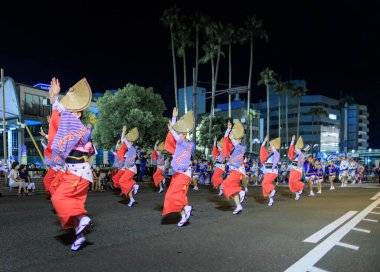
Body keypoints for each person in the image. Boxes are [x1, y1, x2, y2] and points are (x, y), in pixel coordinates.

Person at [48, 77, 95, 251]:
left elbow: (65, 117)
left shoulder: (81, 128)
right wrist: (55, 101)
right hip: (76, 172)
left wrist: (55, 99)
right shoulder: (72, 126)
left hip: (78, 173)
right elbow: (60, 121)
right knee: (74, 207)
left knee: (58, 198)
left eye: (73, 111)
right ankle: (80, 236)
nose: (68, 113)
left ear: (79, 113)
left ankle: (83, 220)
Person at [162, 107, 194, 226]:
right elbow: (175, 136)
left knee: (171, 195)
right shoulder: (179, 146)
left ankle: (186, 208)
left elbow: (175, 136)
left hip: (183, 175)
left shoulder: (188, 144)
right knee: (175, 195)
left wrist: (173, 121)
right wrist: (174, 119)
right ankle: (184, 215)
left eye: (181, 133)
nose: (178, 135)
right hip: (179, 174)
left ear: (185, 134)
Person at [221, 120, 246, 214]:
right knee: (232, 188)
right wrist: (228, 129)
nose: (234, 140)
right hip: (233, 171)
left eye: (237, 139)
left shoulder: (242, 148)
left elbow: (233, 142)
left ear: (240, 140)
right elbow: (226, 139)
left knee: (225, 185)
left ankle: (240, 192)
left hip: (238, 171)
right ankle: (238, 206)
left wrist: (232, 138)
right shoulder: (233, 147)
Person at [119, 126, 140, 207]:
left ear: (131, 142)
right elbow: (123, 141)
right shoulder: (131, 150)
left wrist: (123, 132)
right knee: (128, 184)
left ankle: (135, 185)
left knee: (121, 181)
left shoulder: (131, 148)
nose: (127, 143)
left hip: (131, 169)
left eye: (128, 142)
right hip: (131, 169)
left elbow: (123, 140)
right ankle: (131, 199)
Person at [260, 135, 280, 207]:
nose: (269, 148)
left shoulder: (275, 155)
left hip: (272, 172)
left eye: (271, 147)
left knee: (264, 183)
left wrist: (272, 145)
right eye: (269, 147)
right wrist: (265, 141)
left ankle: (273, 190)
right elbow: (262, 148)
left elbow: (277, 153)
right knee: (266, 186)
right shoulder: (267, 155)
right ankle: (271, 200)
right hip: (267, 173)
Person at [287, 135, 309, 201]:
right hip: (293, 169)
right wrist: (293, 141)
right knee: (290, 183)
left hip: (298, 170)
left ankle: (301, 185)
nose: (295, 148)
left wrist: (293, 141)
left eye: (296, 148)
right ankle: (297, 193)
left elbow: (300, 151)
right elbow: (291, 152)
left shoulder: (301, 154)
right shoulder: (296, 154)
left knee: (293, 181)